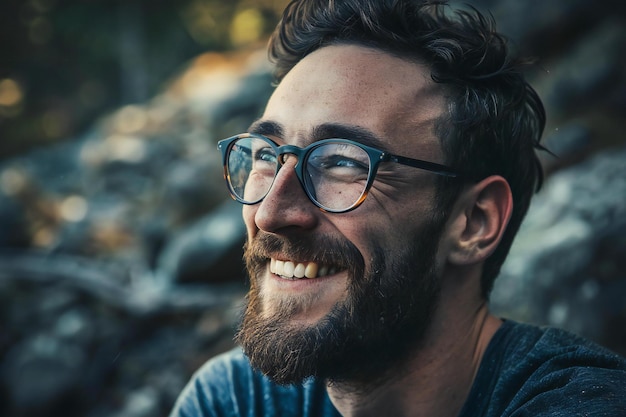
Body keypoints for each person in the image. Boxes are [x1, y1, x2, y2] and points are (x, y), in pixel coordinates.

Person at [170, 0, 626, 416]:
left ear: (474, 222)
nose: (271, 213)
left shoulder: (581, 404)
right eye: (267, 155)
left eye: (343, 162)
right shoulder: (234, 401)